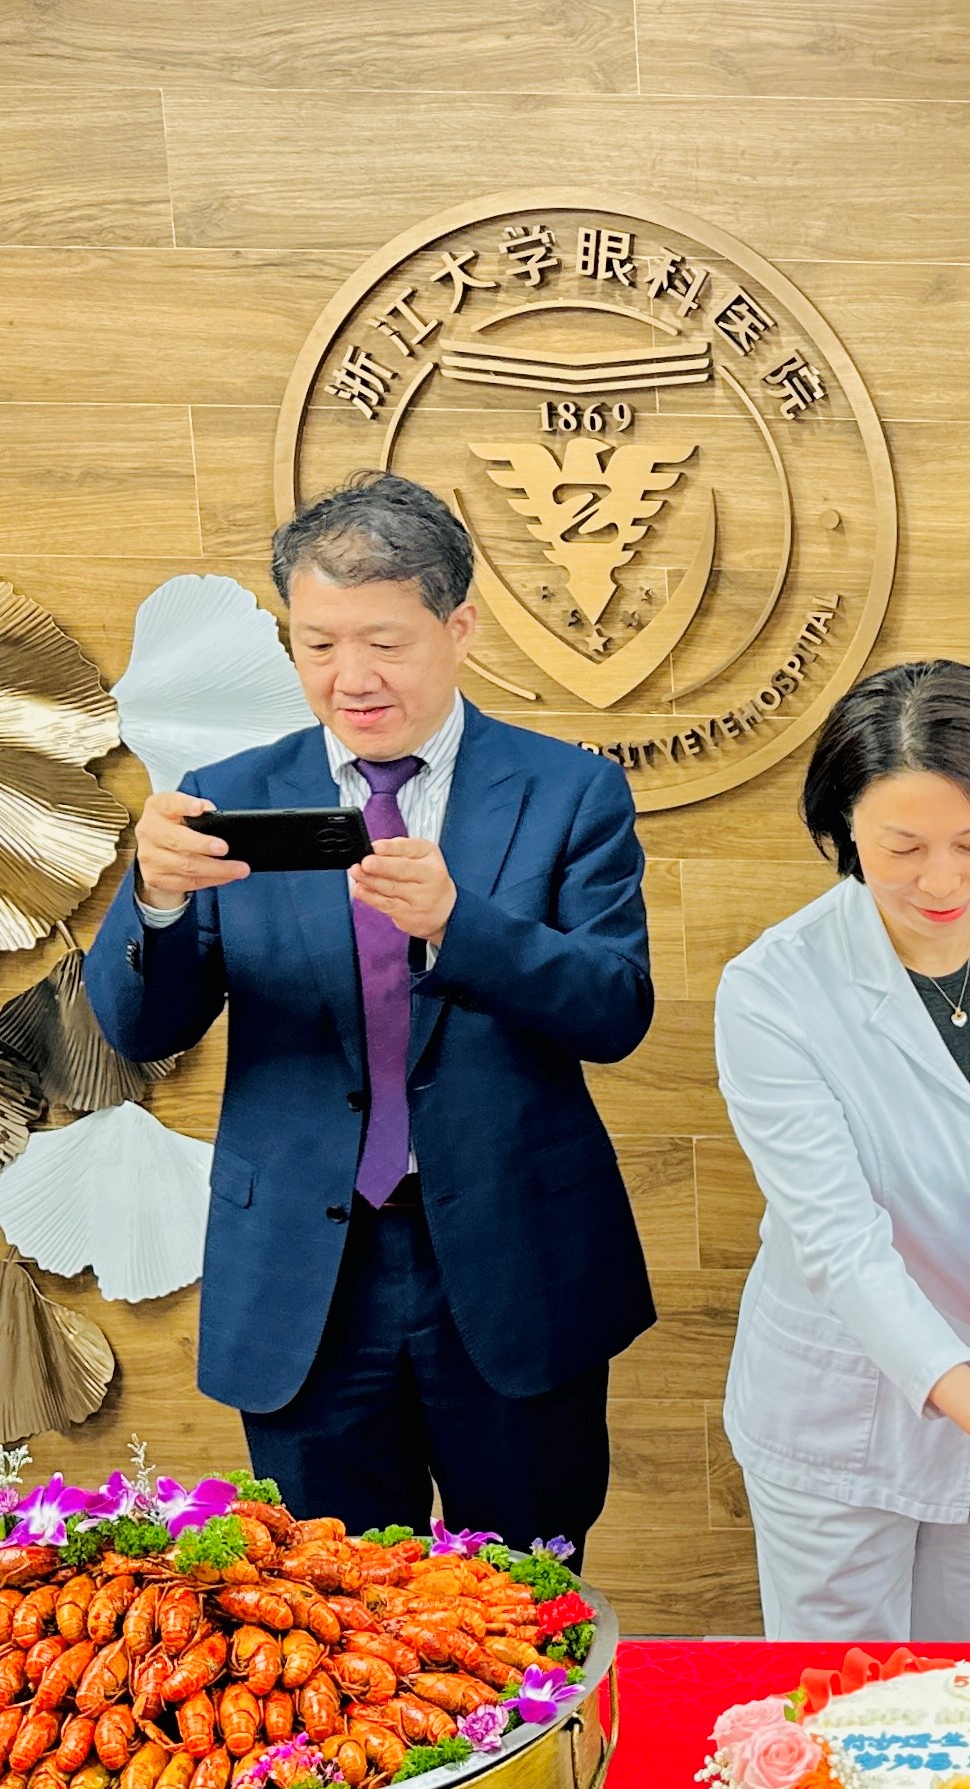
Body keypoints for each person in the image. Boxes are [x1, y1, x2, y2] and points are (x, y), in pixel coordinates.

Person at [90, 472, 652, 1551]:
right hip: (304, 1277)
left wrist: (460, 924)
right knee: (331, 1605)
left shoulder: (568, 792)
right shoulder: (228, 796)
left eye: (384, 642)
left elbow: (615, 1009)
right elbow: (141, 1031)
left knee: (528, 1591)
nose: (350, 678)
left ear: (459, 627)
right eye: (317, 644)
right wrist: (154, 898)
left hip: (515, 1261)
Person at [714, 661, 970, 1642]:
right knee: (841, 1701)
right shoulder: (772, 989)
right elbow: (840, 1244)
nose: (942, 881)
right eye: (902, 847)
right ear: (844, 827)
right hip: (842, 1417)